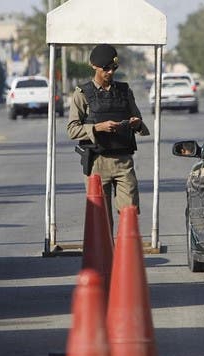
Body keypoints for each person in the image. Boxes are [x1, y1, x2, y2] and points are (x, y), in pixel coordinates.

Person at [67, 43, 149, 229]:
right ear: (94, 66)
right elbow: (72, 129)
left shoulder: (124, 91)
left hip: (123, 162)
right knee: (100, 217)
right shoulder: (82, 94)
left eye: (113, 68)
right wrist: (97, 128)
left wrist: (136, 124)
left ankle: (125, 255)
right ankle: (105, 256)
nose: (110, 72)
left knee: (130, 211)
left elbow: (140, 124)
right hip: (97, 162)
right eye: (106, 69)